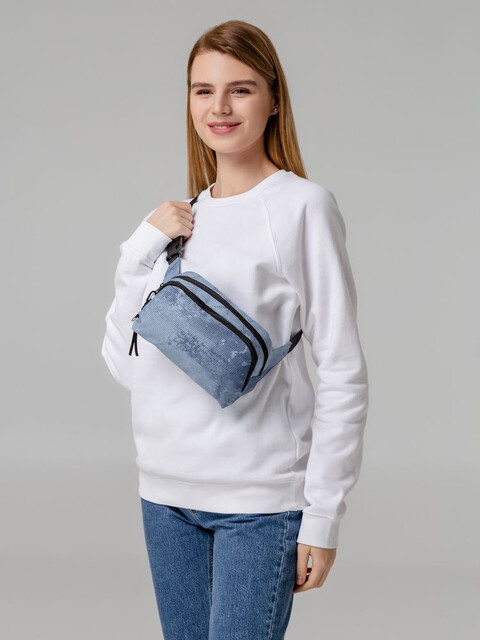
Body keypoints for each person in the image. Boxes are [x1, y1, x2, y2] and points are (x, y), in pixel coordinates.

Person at [101, 19, 369, 640]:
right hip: (164, 494)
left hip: (258, 503)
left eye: (240, 89)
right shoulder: (180, 221)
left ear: (273, 100)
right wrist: (137, 252)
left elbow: (343, 371)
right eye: (203, 90)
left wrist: (322, 516)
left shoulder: (302, 207)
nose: (219, 107)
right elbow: (127, 366)